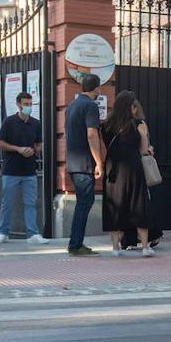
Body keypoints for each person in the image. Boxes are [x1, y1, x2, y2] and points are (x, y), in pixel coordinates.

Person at [101, 91, 154, 256]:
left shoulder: (106, 125)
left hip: (113, 169)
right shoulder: (139, 124)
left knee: (114, 205)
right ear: (130, 107)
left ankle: (115, 248)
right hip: (133, 169)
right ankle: (145, 246)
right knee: (138, 204)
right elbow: (144, 150)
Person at [0, 92, 47, 245]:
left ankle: (33, 234)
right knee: (7, 203)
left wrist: (35, 150)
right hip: (11, 170)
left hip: (29, 170)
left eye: (30, 104)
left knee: (30, 203)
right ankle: (3, 232)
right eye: (26, 104)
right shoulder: (9, 122)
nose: (28, 107)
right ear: (18, 104)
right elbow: (0, 143)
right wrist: (18, 149)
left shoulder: (36, 123)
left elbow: (39, 143)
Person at [65, 74, 107, 256]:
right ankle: (75, 244)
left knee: (83, 203)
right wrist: (99, 162)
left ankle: (75, 242)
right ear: (97, 88)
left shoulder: (72, 105)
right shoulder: (90, 106)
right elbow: (92, 135)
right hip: (84, 163)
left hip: (73, 162)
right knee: (84, 203)